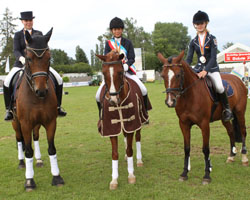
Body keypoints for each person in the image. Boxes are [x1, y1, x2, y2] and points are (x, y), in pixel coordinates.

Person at [3, 11, 66, 121]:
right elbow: (16, 50)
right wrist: (21, 58)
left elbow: (43, 48)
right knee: (7, 81)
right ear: (22, 22)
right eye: (26, 21)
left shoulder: (39, 33)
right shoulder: (18, 35)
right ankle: (9, 110)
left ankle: (58, 107)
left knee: (59, 79)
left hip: (38, 65)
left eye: (30, 20)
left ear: (32, 21)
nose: (28, 22)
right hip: (21, 64)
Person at [95, 17, 149, 116]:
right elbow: (106, 58)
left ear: (122, 29)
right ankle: (101, 116)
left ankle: (144, 112)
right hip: (113, 73)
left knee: (143, 89)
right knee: (98, 96)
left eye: (119, 29)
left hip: (126, 71)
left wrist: (126, 66)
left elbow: (132, 58)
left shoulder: (128, 42)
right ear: (112, 30)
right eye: (115, 29)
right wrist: (111, 52)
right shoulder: (108, 43)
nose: (117, 31)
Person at [186, 10, 233, 122]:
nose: (199, 26)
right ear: (194, 25)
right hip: (198, 68)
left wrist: (206, 71)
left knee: (220, 87)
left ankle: (227, 109)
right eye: (197, 24)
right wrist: (185, 68)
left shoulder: (212, 39)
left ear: (206, 23)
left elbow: (213, 58)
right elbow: (188, 58)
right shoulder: (193, 42)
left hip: (211, 68)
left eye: (201, 23)